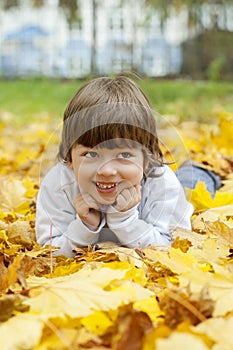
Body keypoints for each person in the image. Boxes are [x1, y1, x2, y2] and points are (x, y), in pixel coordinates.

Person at [35, 76, 217, 257]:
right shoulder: (57, 184)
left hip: (170, 185)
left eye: (124, 155)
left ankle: (203, 172)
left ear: (147, 158)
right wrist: (84, 227)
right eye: (91, 154)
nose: (106, 171)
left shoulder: (162, 183)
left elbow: (172, 248)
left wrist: (125, 220)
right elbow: (49, 252)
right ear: (70, 158)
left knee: (192, 184)